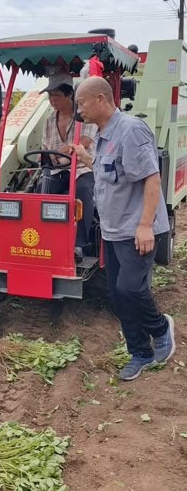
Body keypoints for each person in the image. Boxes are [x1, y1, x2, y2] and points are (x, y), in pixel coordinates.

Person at [72, 76, 175, 381]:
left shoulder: (130, 130)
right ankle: (140, 352)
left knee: (131, 288)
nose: (79, 110)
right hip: (114, 230)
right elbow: (111, 173)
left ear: (101, 99)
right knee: (117, 296)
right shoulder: (104, 135)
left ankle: (161, 328)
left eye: (82, 103)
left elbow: (151, 179)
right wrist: (87, 159)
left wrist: (145, 226)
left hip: (136, 230)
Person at [39, 72, 97, 257]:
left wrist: (66, 150)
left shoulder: (83, 117)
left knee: (81, 190)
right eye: (50, 97)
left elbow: (85, 142)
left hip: (83, 168)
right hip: (59, 171)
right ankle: (46, 238)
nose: (52, 101)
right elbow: (45, 149)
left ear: (70, 95)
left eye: (56, 96)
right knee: (42, 188)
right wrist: (47, 159)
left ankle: (80, 243)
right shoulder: (48, 122)